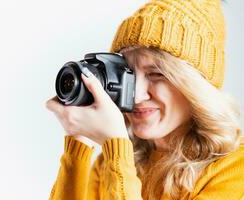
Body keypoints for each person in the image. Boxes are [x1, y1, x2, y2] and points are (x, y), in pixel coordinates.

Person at [45, 0, 244, 199]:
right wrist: (79, 142)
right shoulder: (113, 161)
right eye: (128, 75)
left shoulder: (235, 169)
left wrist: (117, 149)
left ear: (195, 86)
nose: (137, 95)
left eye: (156, 74)